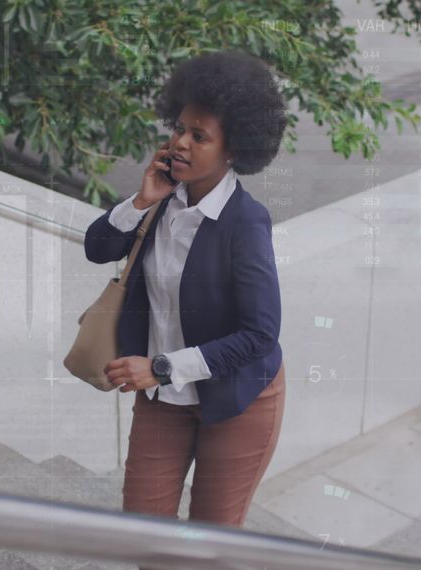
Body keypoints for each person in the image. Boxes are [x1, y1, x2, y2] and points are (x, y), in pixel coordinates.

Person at [82, 49, 289, 556]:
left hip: (237, 402)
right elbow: (97, 248)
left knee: (205, 546)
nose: (180, 142)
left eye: (200, 136)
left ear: (233, 149)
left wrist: (160, 366)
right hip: (164, 402)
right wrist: (140, 201)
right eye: (179, 127)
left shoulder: (246, 221)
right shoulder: (163, 199)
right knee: (147, 535)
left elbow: (261, 333)